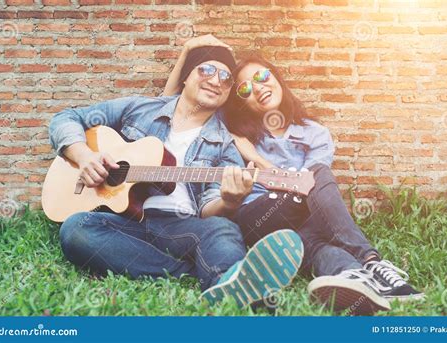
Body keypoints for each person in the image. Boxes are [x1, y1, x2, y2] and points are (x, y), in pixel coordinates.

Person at [164, 36, 424, 315]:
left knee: (310, 238)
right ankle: (371, 261)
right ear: (241, 103)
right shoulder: (231, 130)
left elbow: (305, 186)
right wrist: (187, 52)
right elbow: (170, 109)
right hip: (255, 217)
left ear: (277, 77)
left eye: (263, 76)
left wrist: (256, 158)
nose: (258, 88)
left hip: (299, 220)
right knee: (316, 178)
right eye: (245, 89)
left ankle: (350, 274)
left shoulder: (314, 133)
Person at [48, 44, 304, 308]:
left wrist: (229, 200)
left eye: (226, 78)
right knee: (76, 229)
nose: (216, 80)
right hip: (125, 223)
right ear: (186, 77)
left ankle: (227, 285)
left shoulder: (225, 144)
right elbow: (65, 118)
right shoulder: (139, 108)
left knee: (222, 229)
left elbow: (208, 208)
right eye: (207, 70)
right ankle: (189, 271)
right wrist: (84, 156)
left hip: (181, 227)